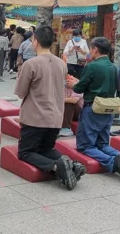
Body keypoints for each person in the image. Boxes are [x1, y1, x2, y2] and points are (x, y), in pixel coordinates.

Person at [15, 25, 84, 191]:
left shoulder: (30, 64)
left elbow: (20, 92)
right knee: (46, 148)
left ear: (36, 42)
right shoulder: (61, 64)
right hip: (55, 118)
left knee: (25, 152)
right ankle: (73, 165)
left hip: (35, 118)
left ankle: (56, 167)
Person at [68, 37, 120, 183]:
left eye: (91, 48)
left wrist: (72, 85)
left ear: (95, 49)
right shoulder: (114, 67)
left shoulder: (91, 66)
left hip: (93, 108)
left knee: (85, 146)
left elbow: (80, 88)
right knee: (103, 143)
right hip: (108, 109)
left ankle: (113, 162)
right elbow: (118, 88)